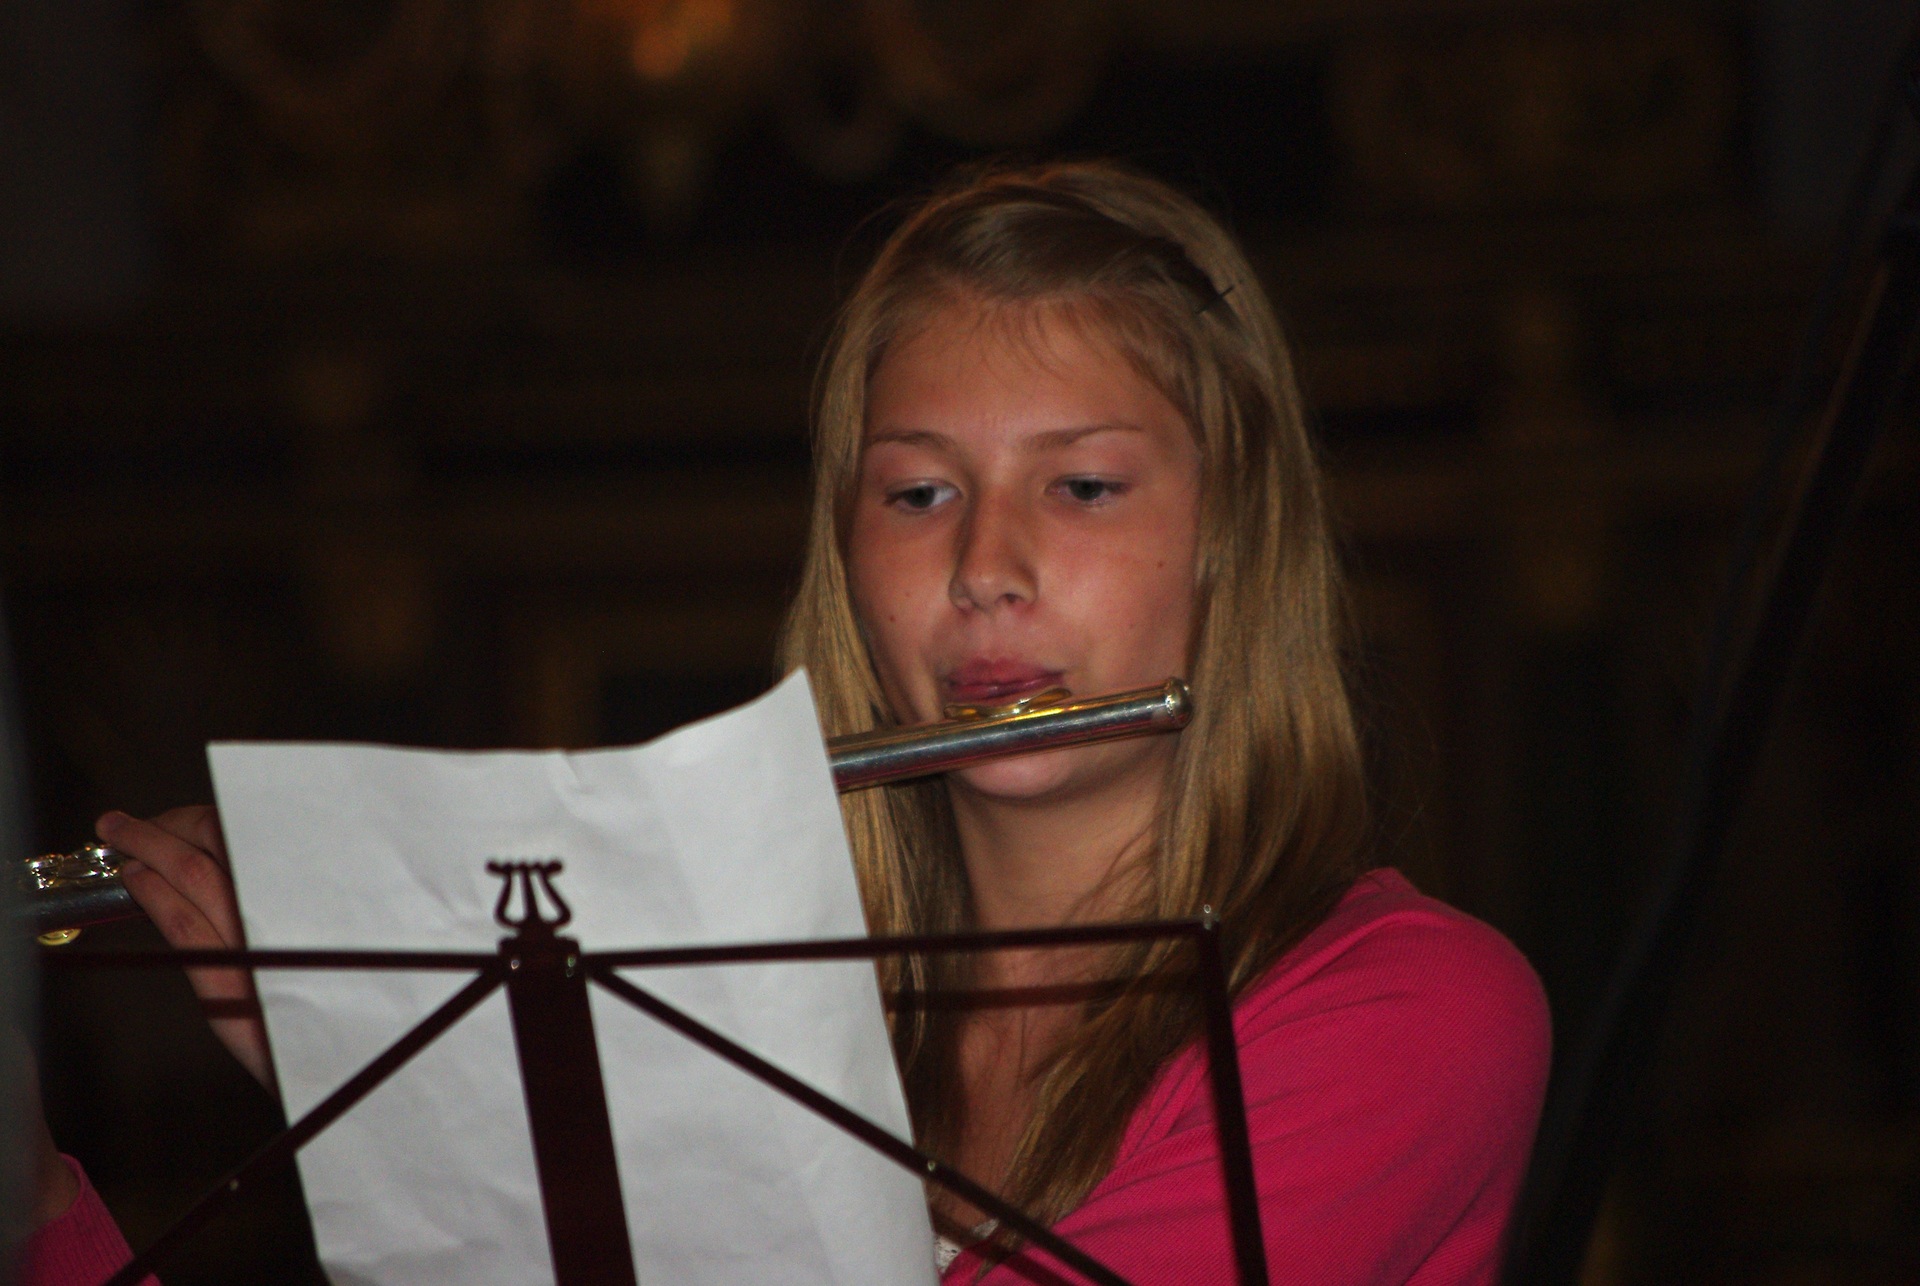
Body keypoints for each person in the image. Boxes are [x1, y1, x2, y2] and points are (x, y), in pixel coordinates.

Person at [26, 161, 1550, 1284]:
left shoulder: (1417, 1015)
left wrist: (461, 1124)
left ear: (1233, 543)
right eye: (919, 492)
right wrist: (33, 1204)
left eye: (1084, 484)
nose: (986, 564)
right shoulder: (733, 1031)